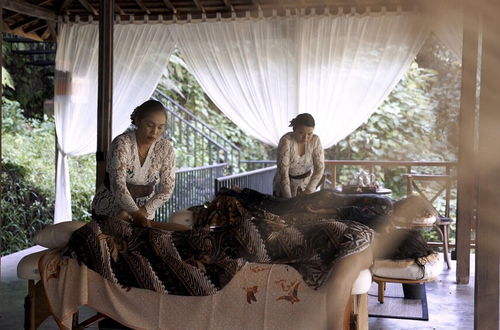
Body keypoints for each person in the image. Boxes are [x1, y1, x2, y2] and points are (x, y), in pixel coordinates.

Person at [92, 99, 183, 229]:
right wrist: (136, 214)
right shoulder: (122, 143)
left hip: (145, 212)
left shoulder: (166, 148)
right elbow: (118, 185)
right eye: (149, 125)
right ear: (138, 120)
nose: (154, 132)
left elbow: (167, 189)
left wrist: (143, 213)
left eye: (160, 127)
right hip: (112, 208)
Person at [273, 113, 325, 198]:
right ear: (294, 130)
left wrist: (309, 190)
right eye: (301, 133)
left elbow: (319, 168)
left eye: (309, 134)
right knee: (285, 209)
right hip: (285, 185)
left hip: (306, 184)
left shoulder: (315, 140)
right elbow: (283, 174)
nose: (305, 137)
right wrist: (289, 201)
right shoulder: (286, 140)